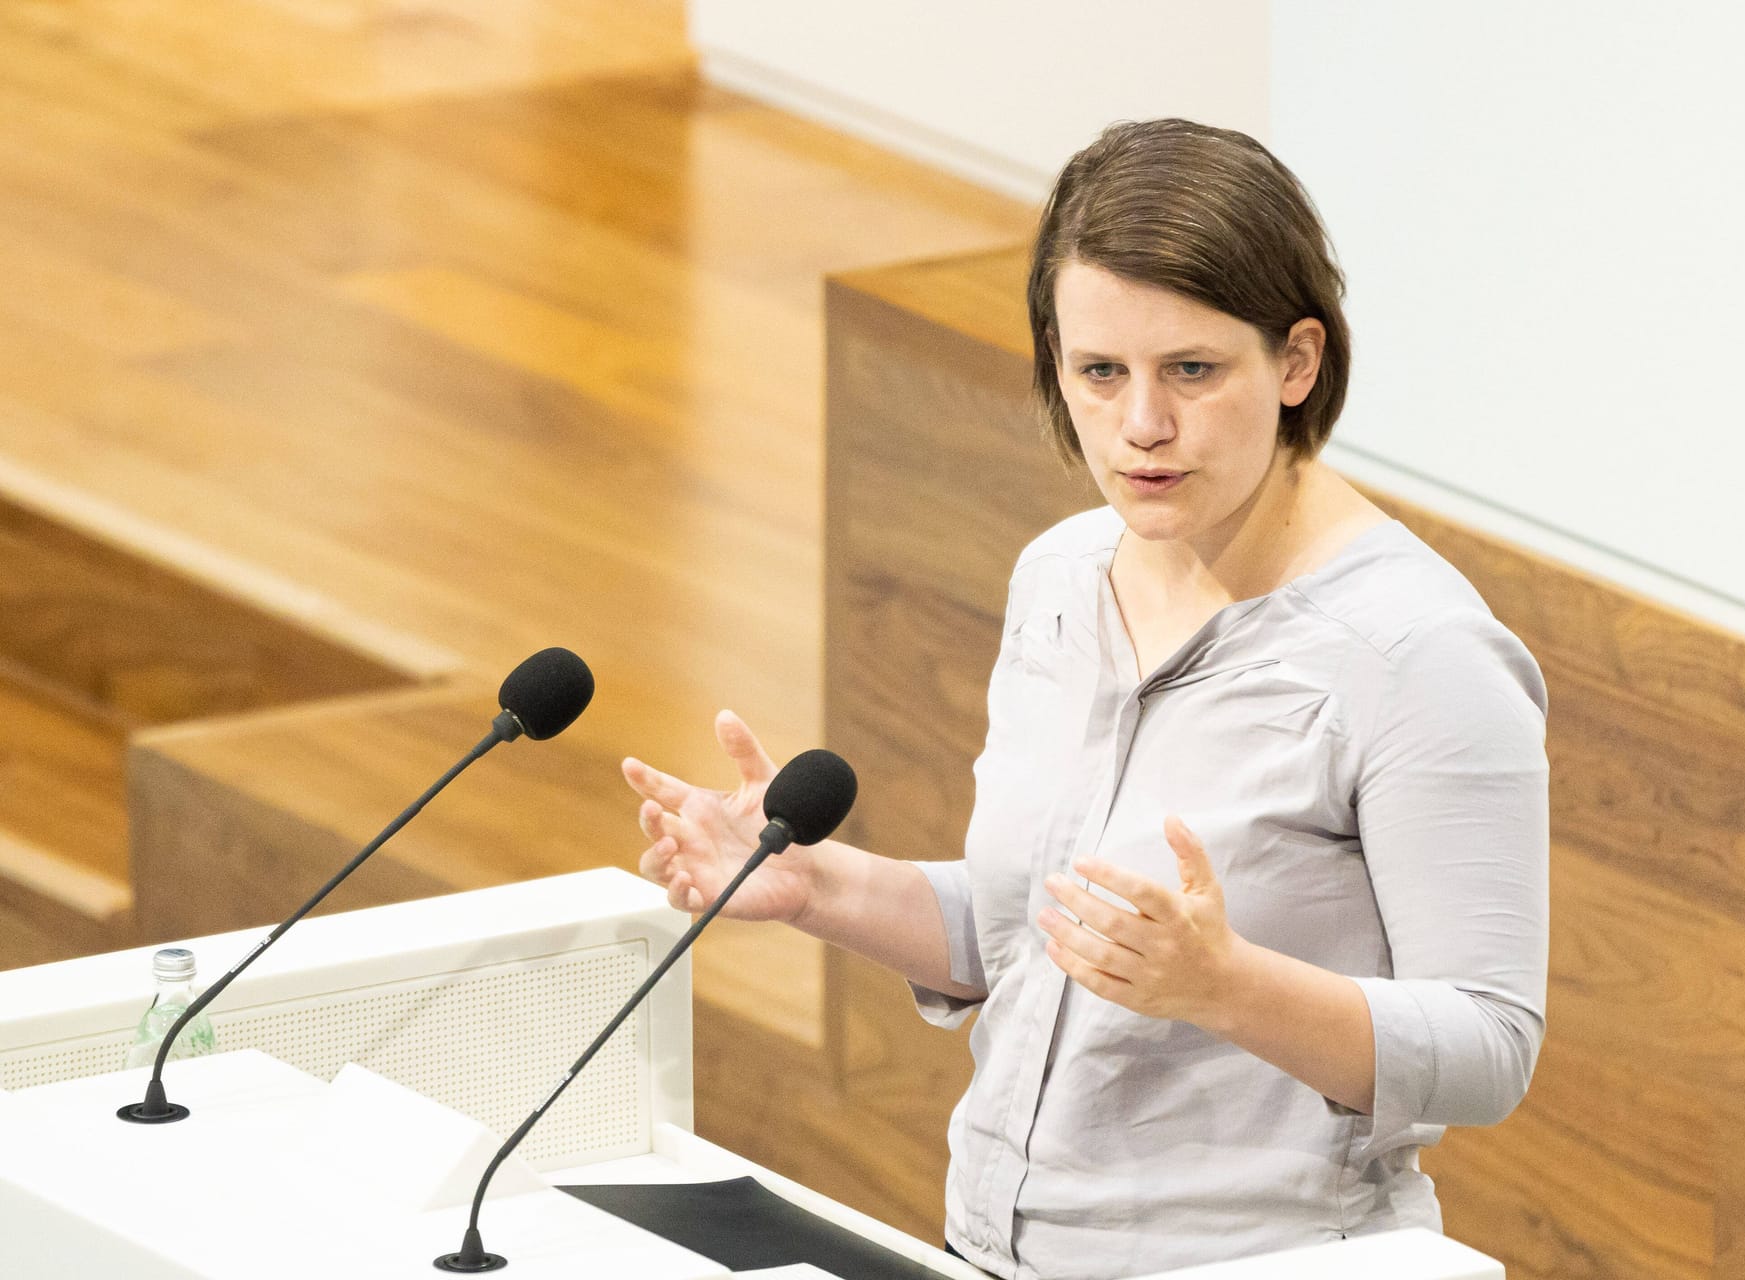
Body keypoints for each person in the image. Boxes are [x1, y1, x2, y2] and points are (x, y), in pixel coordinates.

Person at [623, 118, 1549, 1280]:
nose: (1141, 426)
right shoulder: (1061, 576)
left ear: (1298, 362)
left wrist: (1223, 985)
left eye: (1192, 372)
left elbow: (1489, 1044)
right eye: (1099, 372)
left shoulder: (1419, 653)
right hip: (989, 1247)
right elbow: (1031, 929)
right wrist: (818, 884)